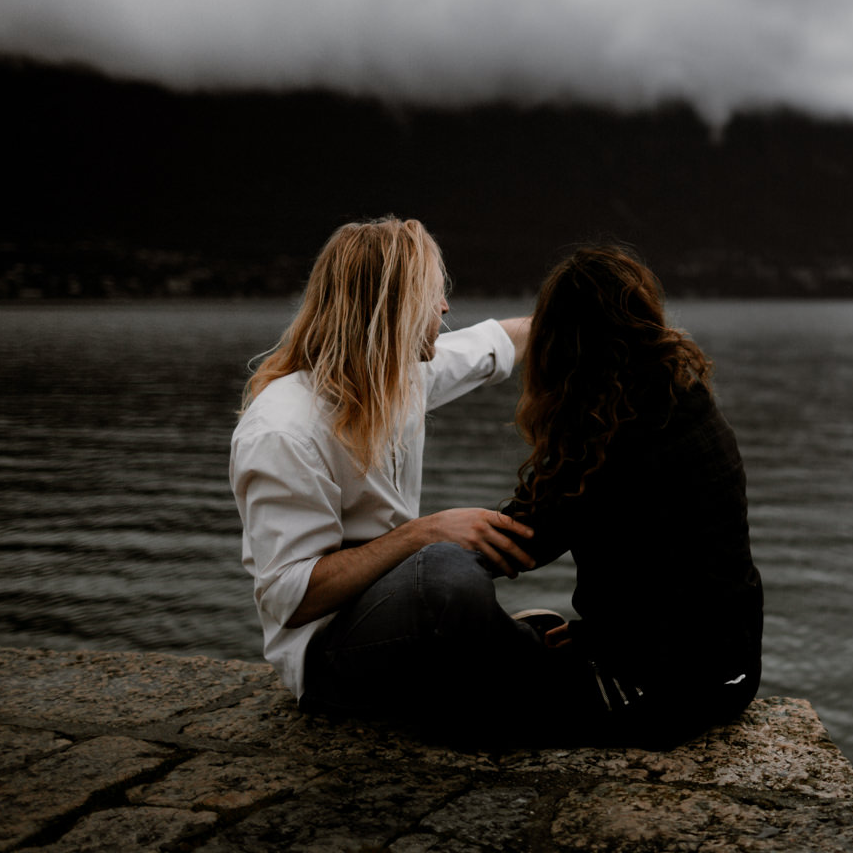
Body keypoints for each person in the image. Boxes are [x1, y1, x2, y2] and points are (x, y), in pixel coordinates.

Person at [230, 216, 539, 722]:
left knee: (461, 560)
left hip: (399, 621)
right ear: (391, 308)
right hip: (330, 664)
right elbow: (290, 595)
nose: (445, 307)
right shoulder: (284, 428)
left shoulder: (398, 376)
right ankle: (546, 668)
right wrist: (423, 533)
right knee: (443, 570)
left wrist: (595, 310)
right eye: (433, 295)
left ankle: (520, 652)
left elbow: (502, 341)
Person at [502, 244, 764, 749]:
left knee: (462, 700)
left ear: (561, 347)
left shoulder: (606, 437)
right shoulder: (687, 404)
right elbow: (679, 576)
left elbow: (521, 541)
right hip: (731, 673)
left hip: (665, 688)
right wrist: (597, 635)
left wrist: (417, 543)